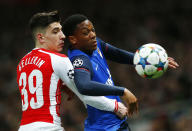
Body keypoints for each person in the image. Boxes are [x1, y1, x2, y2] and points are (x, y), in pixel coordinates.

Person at [17, 11, 138, 131]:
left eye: (61, 30)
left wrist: (60, 85)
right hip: (49, 127)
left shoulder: (22, 63)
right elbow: (85, 92)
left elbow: (40, 87)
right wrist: (116, 106)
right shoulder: (59, 59)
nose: (62, 36)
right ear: (40, 37)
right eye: (55, 32)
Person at [63, 14, 179, 131]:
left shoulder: (96, 45)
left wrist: (152, 61)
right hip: (105, 127)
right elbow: (84, 85)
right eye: (85, 33)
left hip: (115, 123)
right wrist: (122, 91)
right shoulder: (80, 59)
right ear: (73, 39)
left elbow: (117, 54)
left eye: (92, 30)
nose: (92, 35)